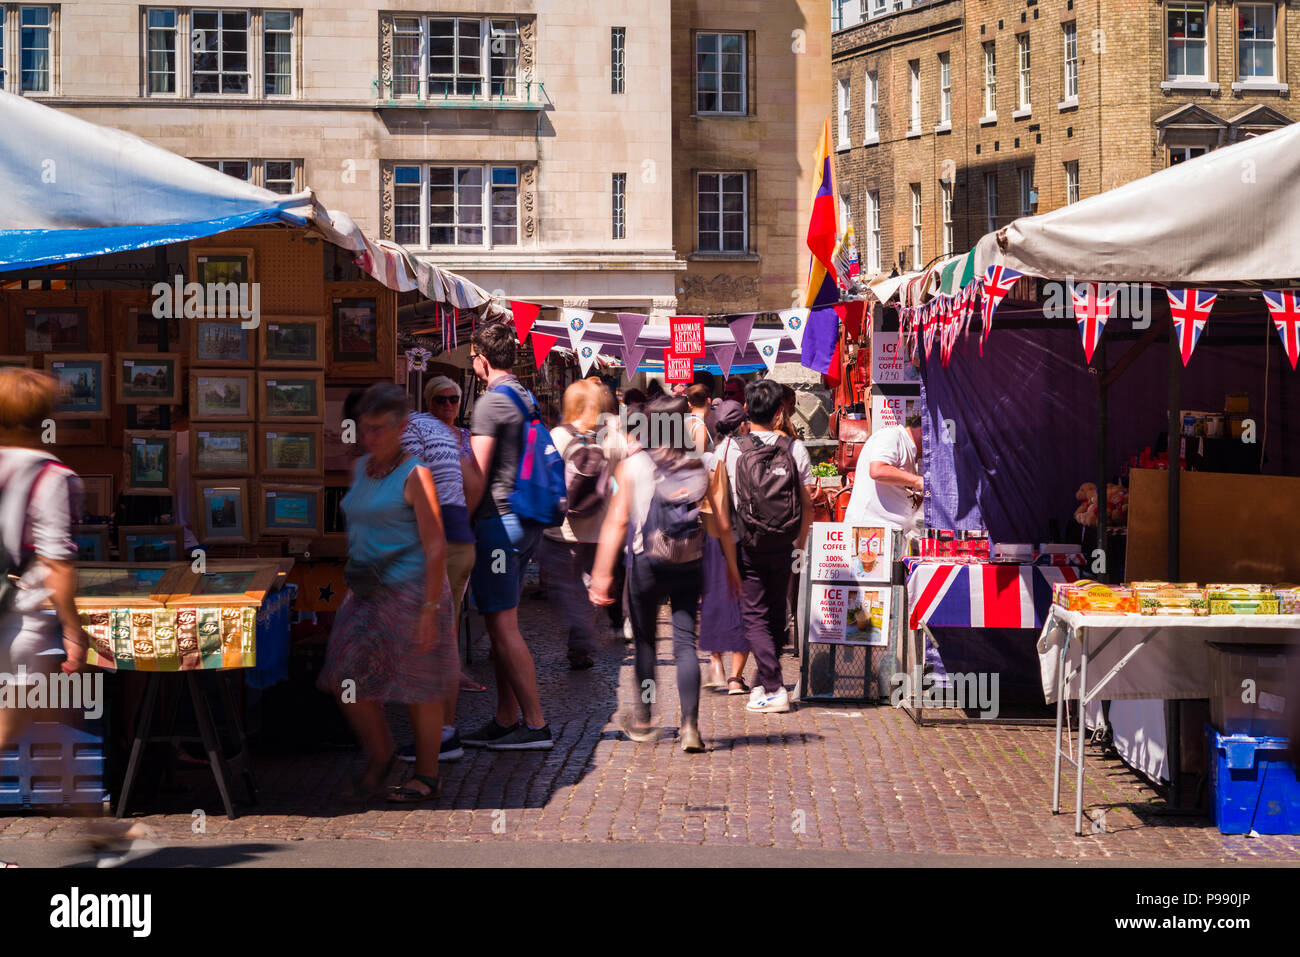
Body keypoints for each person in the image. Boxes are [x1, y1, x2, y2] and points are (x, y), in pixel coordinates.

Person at [0, 369, 156, 865]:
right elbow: (58, 562)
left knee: (46, 725)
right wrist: (74, 632)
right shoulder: (50, 476)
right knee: (13, 728)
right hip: (22, 624)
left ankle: (100, 831)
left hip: (12, 623)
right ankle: (101, 830)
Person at [317, 383, 455, 802]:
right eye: (365, 428)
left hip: (415, 593)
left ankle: (427, 775)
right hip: (366, 592)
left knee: (419, 687)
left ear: (402, 427)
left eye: (379, 428)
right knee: (343, 676)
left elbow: (436, 545)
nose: (370, 437)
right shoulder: (359, 469)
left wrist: (430, 611)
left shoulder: (417, 475)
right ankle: (382, 752)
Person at [589, 396, 738, 753]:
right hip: (689, 562)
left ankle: (643, 719)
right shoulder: (701, 465)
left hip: (646, 563)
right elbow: (722, 524)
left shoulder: (633, 465)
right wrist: (732, 569)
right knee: (686, 644)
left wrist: (601, 573)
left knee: (646, 644)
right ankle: (690, 727)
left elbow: (617, 520)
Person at [463, 321, 553, 750]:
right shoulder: (523, 393)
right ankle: (506, 718)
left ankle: (536, 726)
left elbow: (477, 474)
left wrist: (458, 518)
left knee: (502, 625)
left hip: (499, 521)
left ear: (482, 358)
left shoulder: (489, 403)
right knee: (504, 623)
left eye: (472, 358)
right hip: (524, 519)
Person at [396, 374, 486, 765]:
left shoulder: (417, 427)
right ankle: (443, 731)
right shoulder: (460, 439)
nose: (449, 406)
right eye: (442, 400)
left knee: (433, 639)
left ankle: (443, 736)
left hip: (442, 541)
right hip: (459, 539)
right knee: (442, 636)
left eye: (453, 400)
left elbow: (414, 478)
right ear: (429, 402)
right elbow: (474, 485)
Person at [717, 379, 813, 714]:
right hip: (785, 541)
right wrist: (799, 541)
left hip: (747, 541)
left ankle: (773, 687)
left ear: (746, 409)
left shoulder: (729, 449)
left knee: (754, 616)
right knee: (774, 613)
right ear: (778, 413)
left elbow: (718, 501)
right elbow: (807, 503)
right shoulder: (794, 448)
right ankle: (762, 682)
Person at [542, 379, 624, 670]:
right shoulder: (612, 438)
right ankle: (580, 642)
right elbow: (619, 485)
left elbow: (547, 480)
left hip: (561, 528)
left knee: (566, 585)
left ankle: (578, 631)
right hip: (597, 529)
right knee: (590, 586)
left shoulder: (557, 436)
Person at [699, 399, 750, 694]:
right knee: (743, 601)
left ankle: (715, 661)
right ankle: (735, 676)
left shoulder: (711, 456)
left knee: (715, 598)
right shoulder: (749, 452)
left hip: (715, 534)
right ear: (742, 424)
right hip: (743, 534)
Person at [842, 412, 924, 537]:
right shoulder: (891, 435)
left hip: (891, 532)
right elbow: (878, 470)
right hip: (870, 530)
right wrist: (918, 481)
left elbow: (896, 491)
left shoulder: (910, 451)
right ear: (925, 432)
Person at [684, 384, 715, 454]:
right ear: (709, 400)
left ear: (689, 403)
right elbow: (700, 460)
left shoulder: (685, 420)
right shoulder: (698, 427)